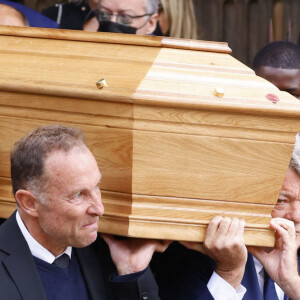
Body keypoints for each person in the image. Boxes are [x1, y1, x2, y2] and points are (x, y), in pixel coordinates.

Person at [0, 125, 169, 299]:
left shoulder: (106, 255)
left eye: (96, 186)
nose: (99, 209)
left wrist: (131, 271)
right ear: (29, 203)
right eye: (78, 195)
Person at [153, 135, 300, 300]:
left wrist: (292, 283)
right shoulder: (192, 261)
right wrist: (230, 273)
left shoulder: (295, 271)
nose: (296, 215)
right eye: (281, 201)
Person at [42, 0, 158, 35]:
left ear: (151, 23)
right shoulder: (56, 15)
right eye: (104, 14)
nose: (112, 22)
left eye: (125, 17)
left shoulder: (160, 65)